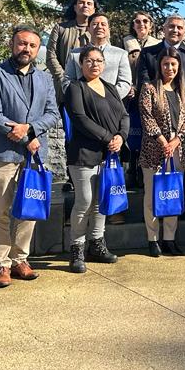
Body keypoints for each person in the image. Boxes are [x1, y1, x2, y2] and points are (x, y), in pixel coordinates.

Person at [0, 26, 60, 288]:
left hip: (35, 156)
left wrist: (31, 130)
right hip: (5, 153)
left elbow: (53, 114)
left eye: (32, 46)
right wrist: (27, 136)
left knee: (29, 210)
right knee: (0, 210)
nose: (26, 49)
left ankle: (20, 259)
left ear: (38, 49)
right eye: (22, 44)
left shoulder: (45, 79)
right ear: (12, 44)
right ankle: (1, 264)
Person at [64, 46, 128, 272]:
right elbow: (79, 118)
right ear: (81, 64)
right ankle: (77, 249)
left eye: (99, 60)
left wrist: (121, 136)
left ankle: (97, 244)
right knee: (84, 202)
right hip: (84, 154)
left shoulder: (110, 88)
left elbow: (124, 115)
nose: (95, 64)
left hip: (109, 154)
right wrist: (108, 137)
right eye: (89, 61)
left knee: (101, 201)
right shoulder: (75, 87)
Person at [138, 48, 185, 257]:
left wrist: (176, 140)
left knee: (172, 194)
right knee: (152, 195)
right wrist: (163, 141)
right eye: (165, 64)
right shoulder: (149, 88)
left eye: (173, 65)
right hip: (155, 150)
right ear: (159, 66)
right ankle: (153, 239)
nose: (169, 68)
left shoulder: (183, 91)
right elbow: (147, 117)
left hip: (178, 150)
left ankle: (169, 238)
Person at [62, 13, 132, 98]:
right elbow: (67, 81)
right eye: (95, 24)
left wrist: (109, 98)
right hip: (82, 103)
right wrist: (80, 98)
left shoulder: (120, 54)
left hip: (110, 104)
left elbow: (125, 82)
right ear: (88, 29)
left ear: (108, 29)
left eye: (103, 24)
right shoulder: (75, 54)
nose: (99, 27)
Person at [46, 0, 97, 100]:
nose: (85, 5)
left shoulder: (99, 31)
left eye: (89, 4)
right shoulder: (60, 29)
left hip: (91, 87)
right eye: (81, 2)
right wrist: (63, 78)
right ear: (74, 7)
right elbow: (51, 56)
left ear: (94, 9)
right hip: (62, 86)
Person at [137, 15, 185, 93]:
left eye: (179, 28)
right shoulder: (147, 53)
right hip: (155, 100)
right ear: (164, 29)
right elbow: (144, 83)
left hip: (183, 101)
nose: (175, 30)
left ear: (184, 32)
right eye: (171, 26)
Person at [123, 12, 161, 88]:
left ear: (150, 25)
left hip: (152, 88)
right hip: (130, 88)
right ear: (133, 26)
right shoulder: (124, 42)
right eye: (137, 21)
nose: (141, 24)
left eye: (145, 21)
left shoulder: (158, 45)